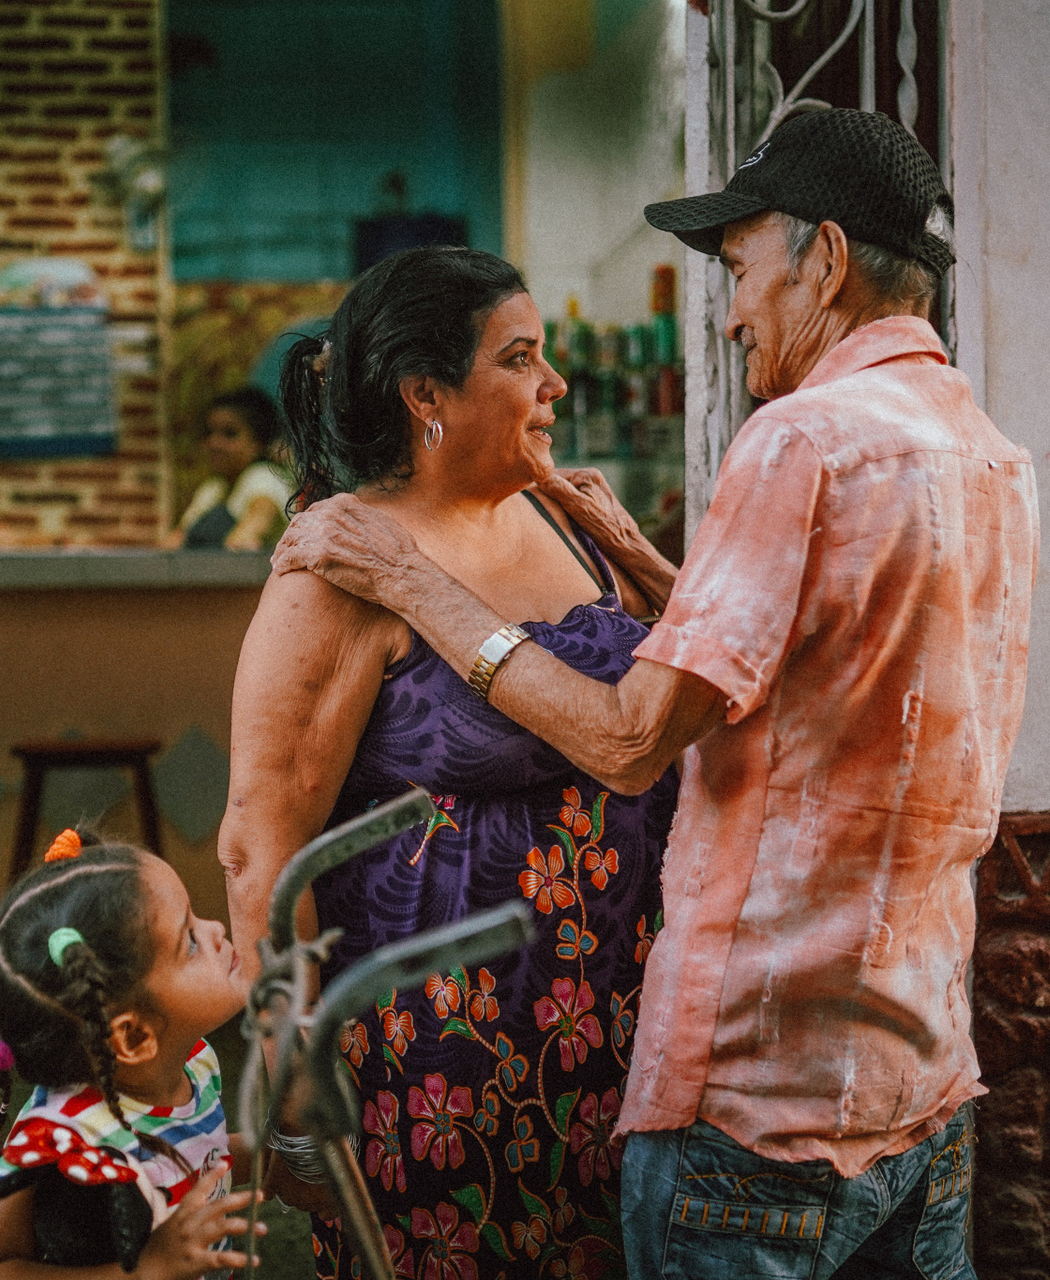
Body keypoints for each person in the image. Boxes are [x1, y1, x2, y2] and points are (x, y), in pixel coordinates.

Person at [275, 109, 1038, 1280]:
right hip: (917, 1074)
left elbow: (632, 741)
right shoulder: (984, 450)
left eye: (739, 269)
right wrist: (643, 558)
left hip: (764, 1096)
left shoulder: (801, 442)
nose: (730, 312)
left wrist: (416, 585)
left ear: (826, 261)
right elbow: (818, 672)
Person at [219, 246, 682, 1279]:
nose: (554, 384)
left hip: (623, 1029)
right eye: (519, 359)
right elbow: (259, 845)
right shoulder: (340, 564)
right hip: (441, 1063)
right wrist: (296, 1080)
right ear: (424, 394)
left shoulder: (568, 516)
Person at [0, 829, 266, 1280]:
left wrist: (273, 1157)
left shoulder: (191, 1062)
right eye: (190, 941)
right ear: (133, 1038)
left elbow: (195, 1156)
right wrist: (147, 1270)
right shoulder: (71, 1141)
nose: (215, 929)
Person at [163, 386, 294, 551]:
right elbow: (172, 545)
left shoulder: (264, 478)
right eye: (208, 433)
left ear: (258, 443)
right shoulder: (211, 489)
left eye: (229, 434)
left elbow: (246, 538)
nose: (214, 443)